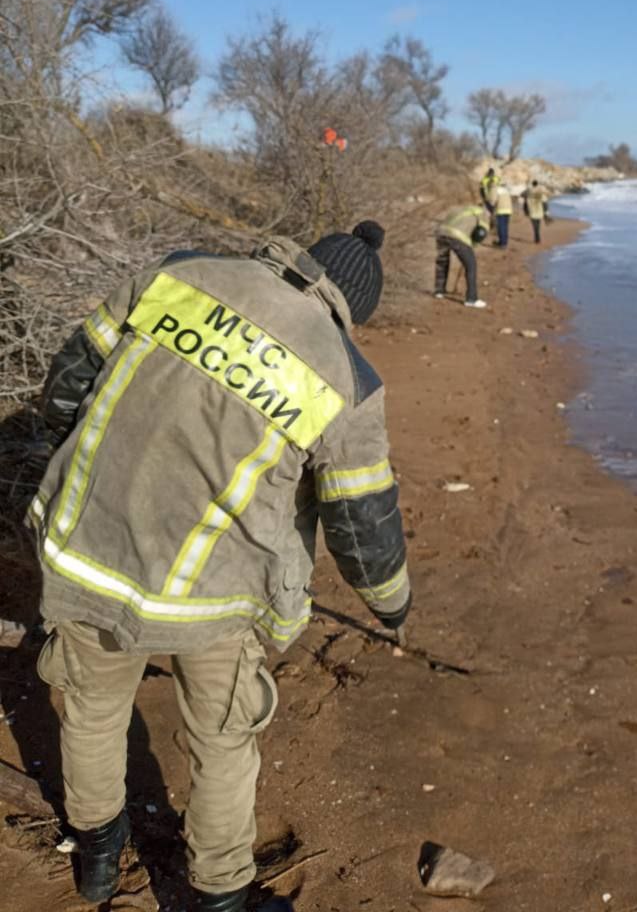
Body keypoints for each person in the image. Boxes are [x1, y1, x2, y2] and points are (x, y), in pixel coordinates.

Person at [28, 223, 409, 912]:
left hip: (89, 550)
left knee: (88, 712)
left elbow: (67, 387)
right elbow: (362, 524)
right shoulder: (346, 375)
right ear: (350, 306)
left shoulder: (176, 274)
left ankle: (97, 859)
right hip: (211, 594)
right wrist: (393, 606)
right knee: (223, 740)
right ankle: (220, 892)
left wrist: (67, 471)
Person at [434, 203, 488, 308]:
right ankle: (471, 299)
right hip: (457, 237)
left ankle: (439, 291)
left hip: (441, 234)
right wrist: (474, 245)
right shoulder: (482, 213)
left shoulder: (459, 209)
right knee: (471, 265)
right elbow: (481, 232)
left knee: (442, 262)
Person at [522, 179, 549, 244]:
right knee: (538, 225)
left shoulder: (529, 192)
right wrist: (546, 212)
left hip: (532, 211)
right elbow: (545, 203)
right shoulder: (540, 192)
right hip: (539, 211)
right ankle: (537, 238)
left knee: (534, 226)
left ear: (532, 184)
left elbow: (524, 201)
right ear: (537, 184)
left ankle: (537, 238)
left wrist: (526, 212)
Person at [493, 181, 514, 249]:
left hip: (500, 210)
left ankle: (502, 244)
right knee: (505, 227)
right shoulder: (507, 191)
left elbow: (493, 200)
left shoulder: (498, 190)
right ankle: (504, 242)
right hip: (508, 211)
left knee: (501, 227)